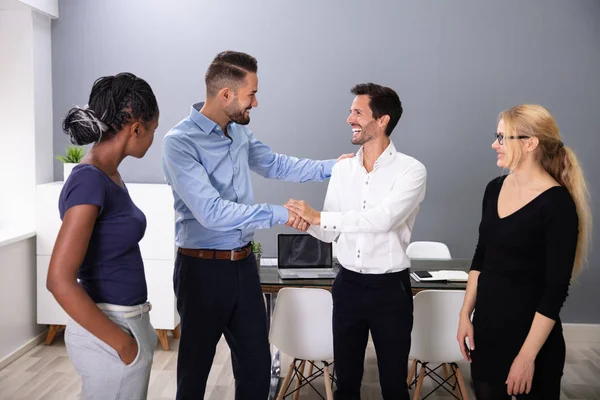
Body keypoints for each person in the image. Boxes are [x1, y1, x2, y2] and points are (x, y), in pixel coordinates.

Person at [161, 50, 353, 399]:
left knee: (256, 366)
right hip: (201, 270)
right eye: (251, 94)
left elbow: (279, 165)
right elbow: (213, 213)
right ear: (226, 95)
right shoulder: (180, 143)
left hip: (243, 267)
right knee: (194, 372)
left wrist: (339, 167)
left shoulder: (238, 134)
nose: (256, 102)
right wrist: (283, 213)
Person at [285, 83, 427, 400]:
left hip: (390, 289)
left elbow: (383, 219)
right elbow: (331, 231)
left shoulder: (411, 171)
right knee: (346, 382)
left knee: (393, 384)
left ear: (382, 120)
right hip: (347, 284)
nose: (349, 118)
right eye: (351, 111)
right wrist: (306, 222)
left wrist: (320, 216)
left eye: (357, 112)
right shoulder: (343, 169)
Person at [456, 104, 592, 399]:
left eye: (503, 137)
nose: (495, 144)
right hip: (487, 333)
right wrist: (465, 313)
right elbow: (481, 256)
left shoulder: (557, 205)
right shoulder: (494, 188)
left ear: (530, 144)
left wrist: (527, 357)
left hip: (532, 342)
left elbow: (555, 290)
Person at [46, 73, 160, 400]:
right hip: (110, 333)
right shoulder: (89, 180)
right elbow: (58, 279)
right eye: (152, 129)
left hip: (128, 325)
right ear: (136, 128)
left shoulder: (108, 175)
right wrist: (122, 343)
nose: (153, 138)